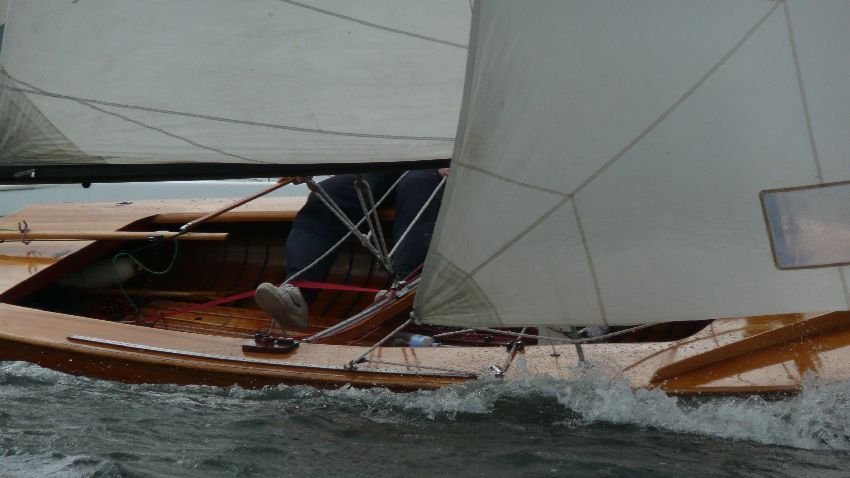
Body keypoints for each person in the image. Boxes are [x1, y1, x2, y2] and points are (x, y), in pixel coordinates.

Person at [255, 168, 447, 330]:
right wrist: (309, 160)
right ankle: (297, 295)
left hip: (449, 167)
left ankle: (404, 296)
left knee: (418, 185)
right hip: (400, 161)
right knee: (330, 192)